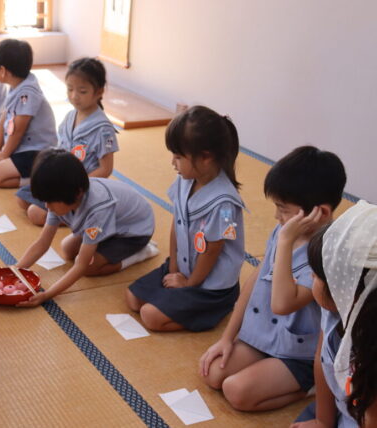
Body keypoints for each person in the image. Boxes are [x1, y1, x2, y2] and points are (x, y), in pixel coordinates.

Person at [199, 146, 347, 411]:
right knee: (213, 374)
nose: (277, 216)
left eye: (283, 209)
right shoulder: (284, 230)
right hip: (264, 334)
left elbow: (283, 303)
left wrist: (286, 241)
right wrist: (227, 337)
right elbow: (256, 280)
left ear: (321, 213)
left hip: (298, 352)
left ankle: (311, 386)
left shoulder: (326, 252)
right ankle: (267, 371)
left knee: (237, 392)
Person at [126, 106, 244, 332]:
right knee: (133, 299)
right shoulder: (185, 178)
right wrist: (173, 268)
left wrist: (189, 284)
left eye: (178, 156)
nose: (173, 162)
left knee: (149, 316)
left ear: (206, 157)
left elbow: (212, 250)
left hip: (209, 284)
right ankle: (181, 295)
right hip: (185, 265)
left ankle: (220, 305)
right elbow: (176, 223)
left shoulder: (224, 202)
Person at [15, 149, 158, 307]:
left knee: (89, 267)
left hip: (133, 232)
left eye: (51, 201)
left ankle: (143, 252)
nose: (47, 206)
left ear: (77, 194)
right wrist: (17, 269)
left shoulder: (97, 210)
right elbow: (42, 242)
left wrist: (46, 295)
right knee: (67, 248)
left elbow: (81, 265)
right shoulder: (59, 197)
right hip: (113, 223)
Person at [291, 201, 377, 428]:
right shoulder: (335, 309)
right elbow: (323, 361)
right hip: (342, 409)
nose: (310, 279)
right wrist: (322, 420)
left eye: (318, 276)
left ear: (349, 290)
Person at [16, 57, 118, 225]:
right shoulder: (70, 116)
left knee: (35, 213)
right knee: (22, 198)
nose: (74, 96)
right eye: (70, 89)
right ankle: (64, 211)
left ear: (99, 92)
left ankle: (80, 216)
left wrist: (78, 185)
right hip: (62, 182)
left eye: (82, 91)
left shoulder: (103, 129)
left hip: (81, 189)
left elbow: (106, 169)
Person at [0, 39, 56, 188]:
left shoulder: (28, 93)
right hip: (21, 147)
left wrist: (4, 154)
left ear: (3, 71)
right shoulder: (16, 85)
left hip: (37, 151)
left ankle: (38, 179)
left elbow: (19, 130)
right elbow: (4, 117)